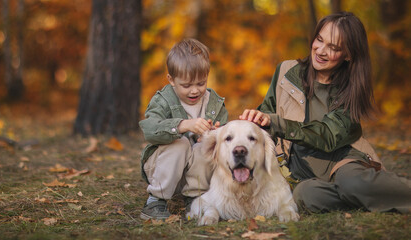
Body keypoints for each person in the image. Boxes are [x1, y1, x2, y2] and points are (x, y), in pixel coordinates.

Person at [240, 12, 411, 213]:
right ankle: (365, 198)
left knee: (351, 183)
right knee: (306, 196)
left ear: (348, 55)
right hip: (305, 174)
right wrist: (246, 124)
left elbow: (327, 135)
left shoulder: (350, 88)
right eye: (319, 40)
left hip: (343, 163)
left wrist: (276, 123)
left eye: (334, 47)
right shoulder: (286, 71)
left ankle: (368, 191)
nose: (321, 51)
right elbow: (266, 115)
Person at [139, 38, 228, 220]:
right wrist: (181, 125)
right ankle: (155, 201)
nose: (194, 91)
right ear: (171, 80)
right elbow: (149, 129)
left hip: (194, 173)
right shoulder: (163, 100)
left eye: (201, 83)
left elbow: (224, 133)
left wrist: (214, 136)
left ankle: (195, 198)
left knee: (204, 148)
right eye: (186, 85)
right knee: (180, 143)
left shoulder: (214, 103)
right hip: (162, 169)